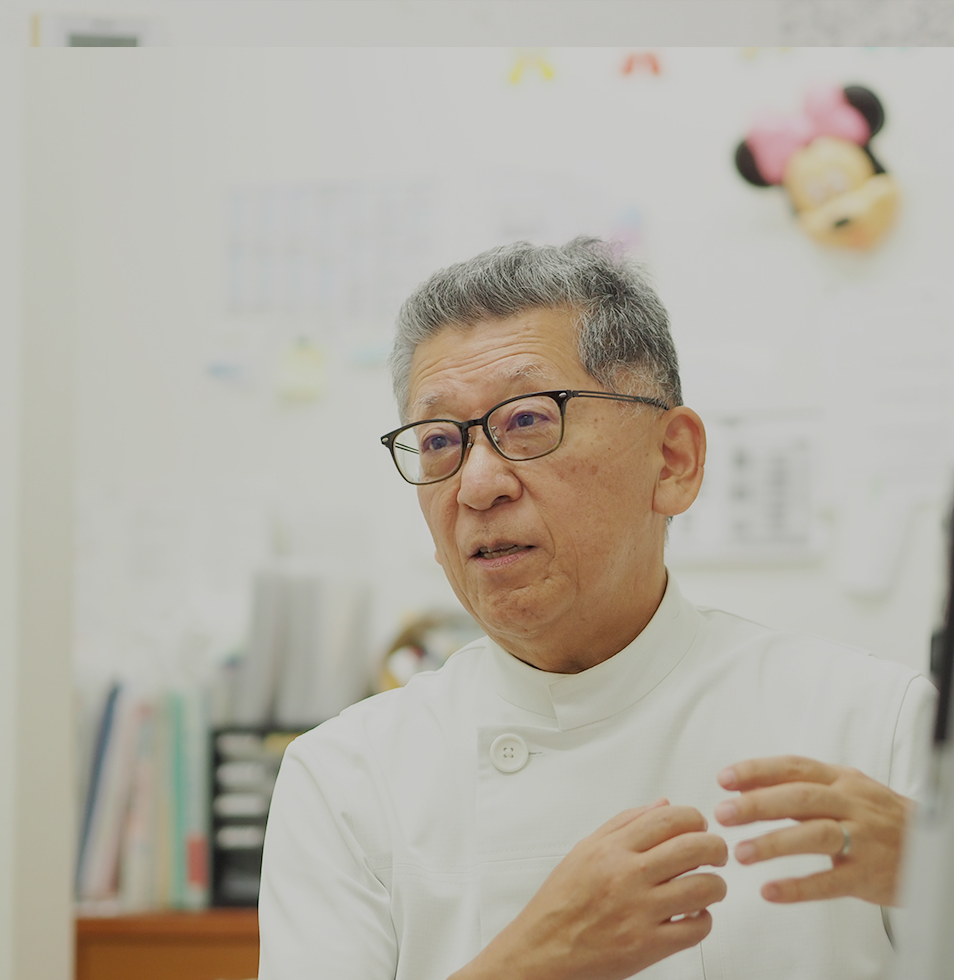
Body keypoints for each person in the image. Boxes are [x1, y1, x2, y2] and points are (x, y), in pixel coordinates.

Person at [258, 238, 936, 980]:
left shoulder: (874, 725)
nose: (477, 486)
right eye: (440, 440)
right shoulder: (347, 780)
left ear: (672, 460)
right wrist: (537, 960)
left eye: (526, 421)